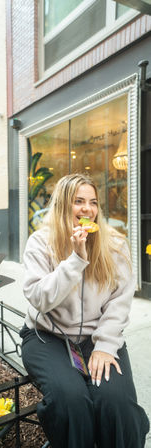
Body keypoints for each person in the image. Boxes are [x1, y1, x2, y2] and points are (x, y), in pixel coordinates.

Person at [20, 173, 150, 448]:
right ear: (62, 206)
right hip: (48, 337)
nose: (87, 209)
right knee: (71, 400)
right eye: (78, 201)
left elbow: (119, 301)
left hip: (99, 338)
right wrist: (76, 260)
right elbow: (39, 298)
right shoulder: (40, 243)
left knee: (117, 404)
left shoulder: (115, 245)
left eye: (93, 202)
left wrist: (105, 345)